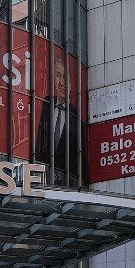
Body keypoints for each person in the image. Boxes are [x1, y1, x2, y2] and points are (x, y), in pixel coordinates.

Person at [35, 56, 81, 185]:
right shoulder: (44, 105)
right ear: (53, 80)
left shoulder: (77, 117)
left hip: (65, 182)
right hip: (40, 176)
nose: (61, 82)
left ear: (71, 84)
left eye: (65, 77)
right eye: (58, 76)